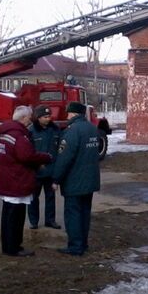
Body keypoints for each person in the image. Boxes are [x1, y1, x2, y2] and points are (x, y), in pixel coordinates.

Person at [0, 105, 52, 257]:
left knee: (7, 215)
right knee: (16, 216)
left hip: (7, 179)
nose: (30, 120)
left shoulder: (6, 133)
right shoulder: (19, 136)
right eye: (29, 117)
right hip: (17, 181)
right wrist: (46, 157)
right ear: (23, 118)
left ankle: (7, 246)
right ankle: (14, 247)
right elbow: (27, 156)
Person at [51, 101, 101, 256]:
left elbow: (65, 158)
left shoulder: (72, 131)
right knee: (85, 213)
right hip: (90, 180)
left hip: (74, 181)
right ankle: (83, 243)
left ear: (73, 114)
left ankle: (75, 246)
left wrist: (56, 179)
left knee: (73, 214)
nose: (67, 116)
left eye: (68, 113)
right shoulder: (92, 129)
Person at [27, 105, 61, 230]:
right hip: (36, 172)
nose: (48, 119)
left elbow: (59, 149)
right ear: (38, 118)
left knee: (50, 197)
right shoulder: (31, 131)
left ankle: (50, 220)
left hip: (51, 171)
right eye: (45, 117)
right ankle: (34, 221)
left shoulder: (55, 129)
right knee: (33, 198)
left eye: (49, 116)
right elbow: (28, 152)